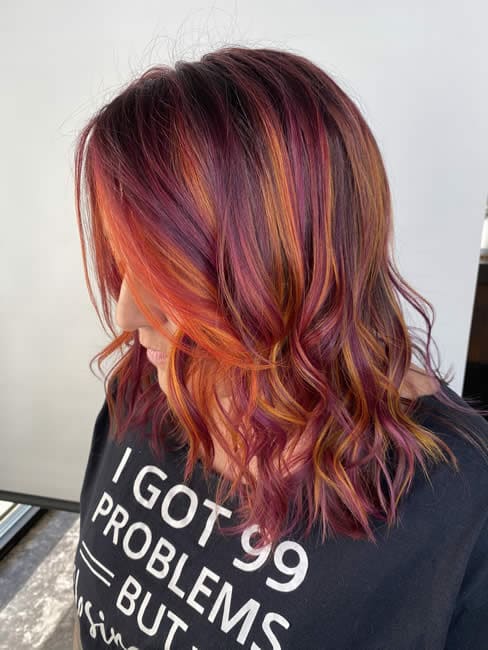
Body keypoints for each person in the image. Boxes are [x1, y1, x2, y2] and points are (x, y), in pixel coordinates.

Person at [71, 46, 488, 649]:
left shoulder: (460, 508)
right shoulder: (140, 390)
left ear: (287, 266)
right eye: (126, 259)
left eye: (169, 272)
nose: (126, 314)